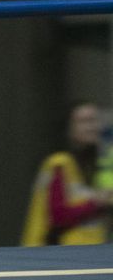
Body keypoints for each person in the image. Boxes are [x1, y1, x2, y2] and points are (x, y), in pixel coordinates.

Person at [21, 102, 111, 246]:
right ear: (69, 128)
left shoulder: (97, 164)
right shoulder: (59, 164)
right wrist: (97, 202)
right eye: (84, 121)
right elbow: (58, 216)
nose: (92, 127)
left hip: (95, 251)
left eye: (95, 120)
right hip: (64, 256)